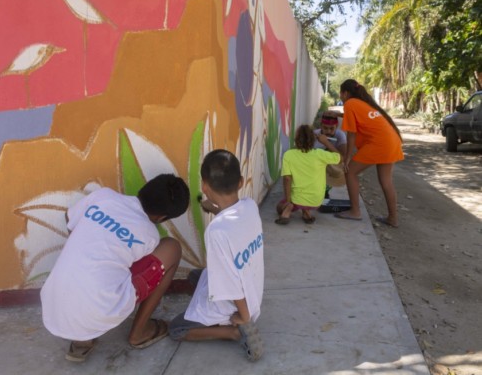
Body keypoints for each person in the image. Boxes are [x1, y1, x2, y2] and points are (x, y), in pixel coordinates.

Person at [40, 174, 190, 362]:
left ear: (146, 188)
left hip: (54, 302)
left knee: (97, 265)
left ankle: (82, 339)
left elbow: (69, 218)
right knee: (172, 248)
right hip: (101, 310)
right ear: (162, 217)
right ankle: (140, 332)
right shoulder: (149, 234)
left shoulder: (103, 197)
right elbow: (140, 268)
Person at [168, 149, 264, 362]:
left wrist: (244, 317)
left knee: (176, 329)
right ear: (240, 182)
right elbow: (234, 225)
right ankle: (236, 321)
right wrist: (213, 209)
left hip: (238, 308)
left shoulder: (216, 231)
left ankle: (232, 332)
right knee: (195, 276)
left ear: (204, 186)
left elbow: (231, 284)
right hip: (253, 295)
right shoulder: (250, 207)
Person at [335, 79, 404, 227]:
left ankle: (355, 211)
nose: (340, 97)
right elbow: (360, 119)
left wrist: (347, 158)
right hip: (391, 141)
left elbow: (351, 134)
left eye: (340, 94)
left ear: (345, 93)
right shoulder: (364, 103)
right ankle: (393, 218)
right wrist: (336, 114)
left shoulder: (350, 104)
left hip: (378, 144)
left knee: (350, 172)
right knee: (386, 181)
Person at [275, 124, 341, 225]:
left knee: (279, 207)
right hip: (316, 201)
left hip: (297, 199)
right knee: (304, 198)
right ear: (313, 140)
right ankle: (306, 213)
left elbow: (287, 179)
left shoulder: (289, 155)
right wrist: (326, 142)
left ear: (296, 139)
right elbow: (340, 157)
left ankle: (288, 208)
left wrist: (288, 201)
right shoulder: (320, 154)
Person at [314, 111, 347, 198]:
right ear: (321, 125)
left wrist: (326, 143)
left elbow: (343, 158)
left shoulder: (340, 135)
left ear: (337, 126)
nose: (328, 131)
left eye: (332, 128)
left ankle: (325, 190)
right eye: (325, 128)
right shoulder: (314, 134)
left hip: (332, 168)